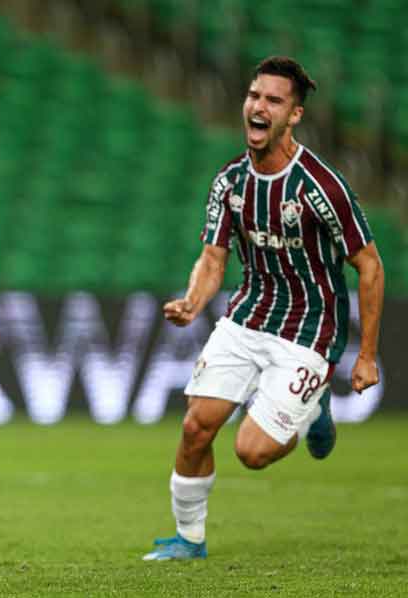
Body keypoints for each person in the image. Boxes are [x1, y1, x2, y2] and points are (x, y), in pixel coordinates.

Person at [143, 56, 384, 561]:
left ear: (294, 115)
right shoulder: (231, 181)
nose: (259, 106)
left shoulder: (321, 186)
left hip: (310, 329)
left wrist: (365, 356)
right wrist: (193, 302)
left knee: (251, 452)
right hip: (249, 315)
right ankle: (189, 539)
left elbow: (369, 266)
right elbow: (213, 258)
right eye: (255, 96)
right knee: (194, 428)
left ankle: (312, 406)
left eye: (273, 100)